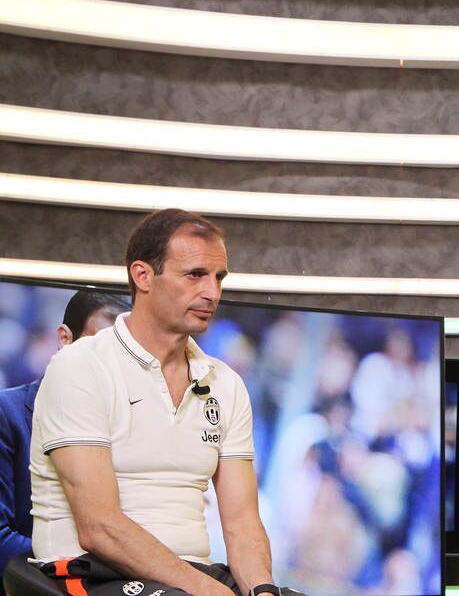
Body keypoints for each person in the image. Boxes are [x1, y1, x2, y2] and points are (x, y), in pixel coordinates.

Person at [28, 209, 293, 596]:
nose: (212, 292)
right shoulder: (79, 365)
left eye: (218, 277)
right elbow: (99, 528)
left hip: (191, 576)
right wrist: (210, 592)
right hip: (91, 571)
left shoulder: (227, 384)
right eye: (195, 275)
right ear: (143, 276)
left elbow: (241, 524)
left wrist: (263, 590)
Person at [0, 290, 127, 582]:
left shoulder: (131, 425)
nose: (112, 366)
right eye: (98, 349)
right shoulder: (8, 413)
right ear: (64, 339)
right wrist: (96, 567)